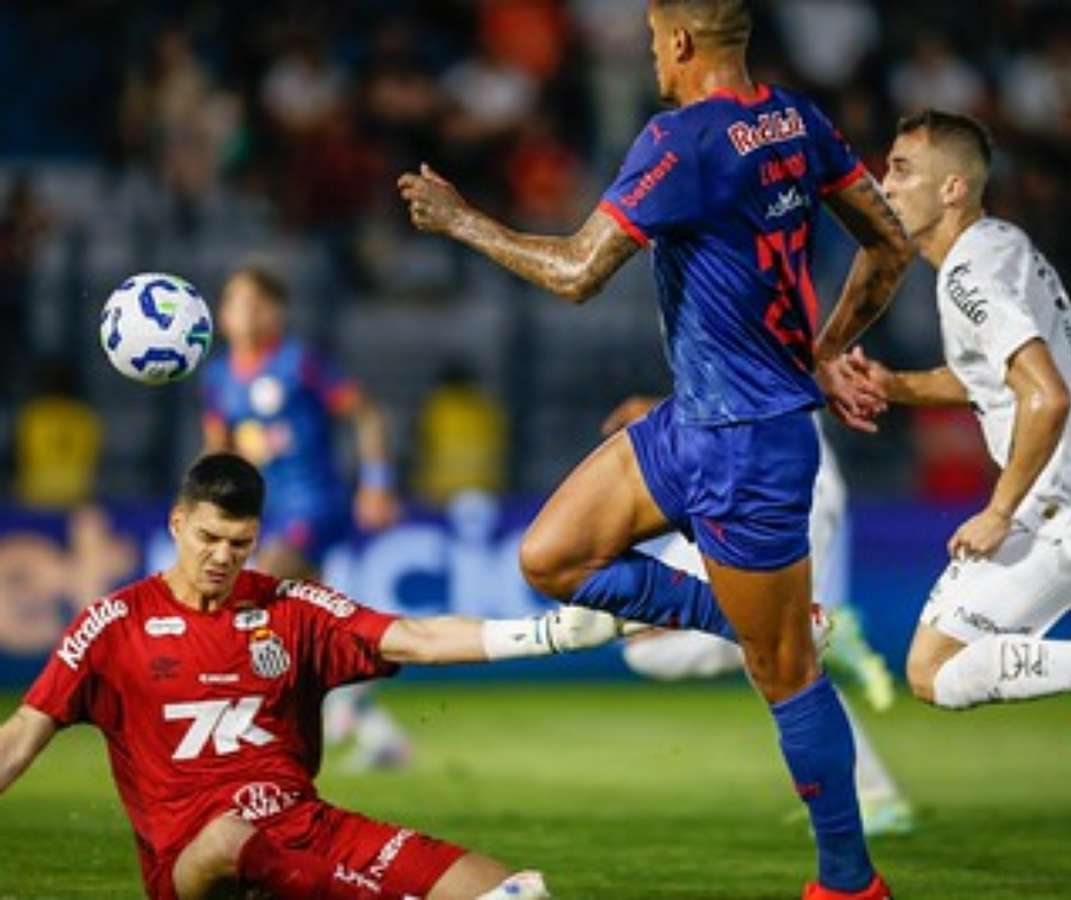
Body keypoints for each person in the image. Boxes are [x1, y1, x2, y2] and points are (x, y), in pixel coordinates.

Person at [399, 2, 915, 896]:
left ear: (678, 41)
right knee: (552, 556)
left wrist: (461, 222)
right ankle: (751, 620)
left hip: (749, 444)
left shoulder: (678, 141)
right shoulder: (797, 120)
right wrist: (825, 348)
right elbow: (890, 242)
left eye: (650, 43)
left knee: (786, 678)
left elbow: (576, 273)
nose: (651, 58)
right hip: (691, 424)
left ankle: (849, 883)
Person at [0, 453, 623, 899]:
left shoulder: (290, 607)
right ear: (176, 524)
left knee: (512, 890)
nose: (221, 557)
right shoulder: (114, 625)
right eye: (208, 537)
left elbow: (418, 637)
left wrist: (548, 633)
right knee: (227, 840)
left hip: (308, 831)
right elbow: (23, 734)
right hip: (194, 863)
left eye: (239, 543)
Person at [849, 108, 1071, 857]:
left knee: (932, 669)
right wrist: (897, 386)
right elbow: (994, 380)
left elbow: (1047, 397)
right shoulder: (1001, 247)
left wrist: (999, 510)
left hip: (1066, 514)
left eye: (901, 169)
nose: (885, 184)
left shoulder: (969, 274)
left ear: (952, 188)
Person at [603, 395, 912, 837]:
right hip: (728, 494)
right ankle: (811, 629)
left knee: (778, 661)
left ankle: (873, 794)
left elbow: (759, 389)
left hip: (783, 490)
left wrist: (658, 413)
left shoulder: (773, 354)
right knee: (650, 646)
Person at [202, 265, 408, 770]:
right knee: (311, 625)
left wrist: (377, 482)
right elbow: (218, 453)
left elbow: (367, 413)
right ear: (223, 317)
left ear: (277, 312)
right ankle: (370, 725)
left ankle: (247, 728)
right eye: (235, 303)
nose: (244, 313)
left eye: (255, 303)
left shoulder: (299, 363)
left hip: (316, 504)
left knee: (253, 588)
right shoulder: (219, 378)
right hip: (267, 513)